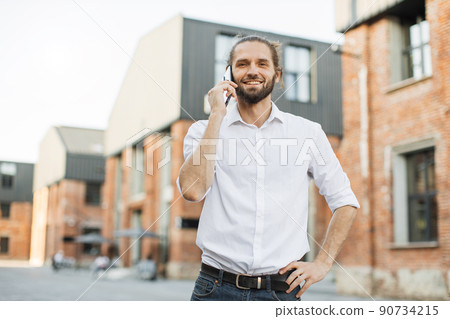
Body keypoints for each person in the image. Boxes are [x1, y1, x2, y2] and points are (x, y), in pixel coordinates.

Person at [178, 35, 360, 301]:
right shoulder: (203, 131)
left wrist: (323, 263)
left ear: (277, 75)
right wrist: (216, 114)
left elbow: (345, 201)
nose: (252, 70)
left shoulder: (307, 133)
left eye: (262, 64)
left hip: (280, 292)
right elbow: (193, 191)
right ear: (228, 74)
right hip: (215, 290)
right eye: (242, 64)